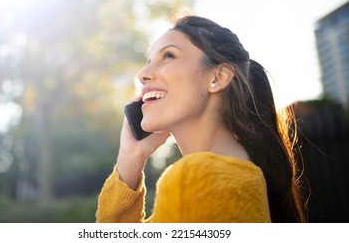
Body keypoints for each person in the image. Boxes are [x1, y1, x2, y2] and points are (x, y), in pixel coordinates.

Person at [95, 14, 305, 223]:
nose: (142, 74)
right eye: (148, 61)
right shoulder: (234, 179)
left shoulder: (198, 179)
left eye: (168, 56)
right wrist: (131, 156)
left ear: (218, 77)